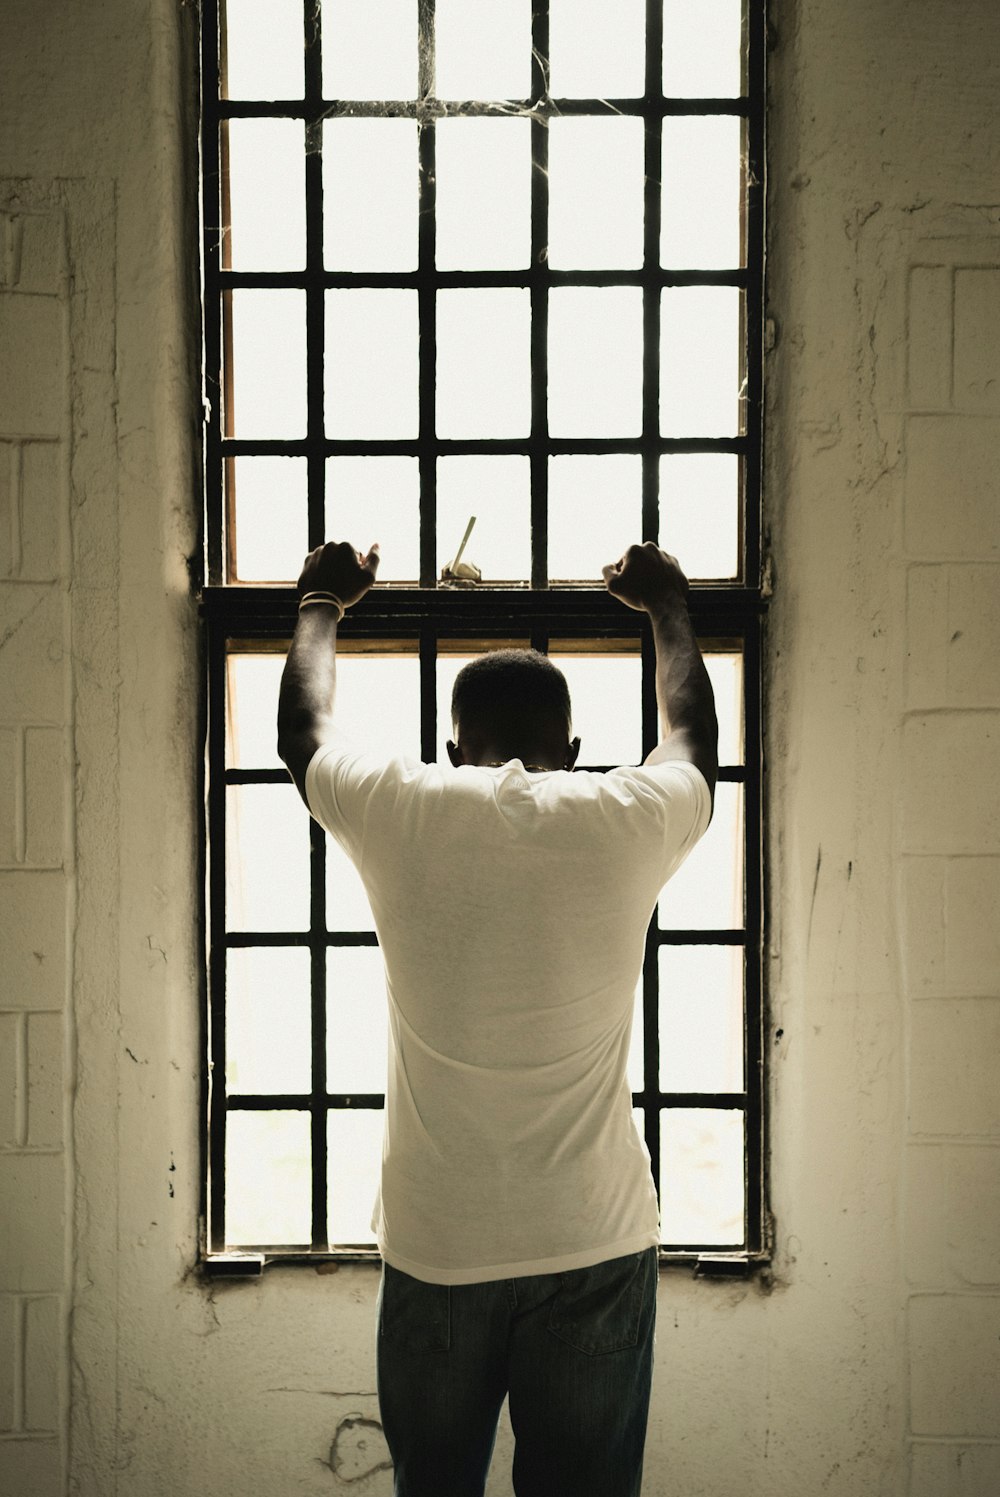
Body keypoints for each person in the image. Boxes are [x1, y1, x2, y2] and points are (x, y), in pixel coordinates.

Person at [277, 540, 718, 1497]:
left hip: (440, 1246)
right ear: (570, 752)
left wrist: (322, 597)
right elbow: (693, 741)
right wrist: (669, 606)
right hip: (594, 1240)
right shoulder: (621, 812)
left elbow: (303, 734)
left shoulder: (409, 806)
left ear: (452, 747)